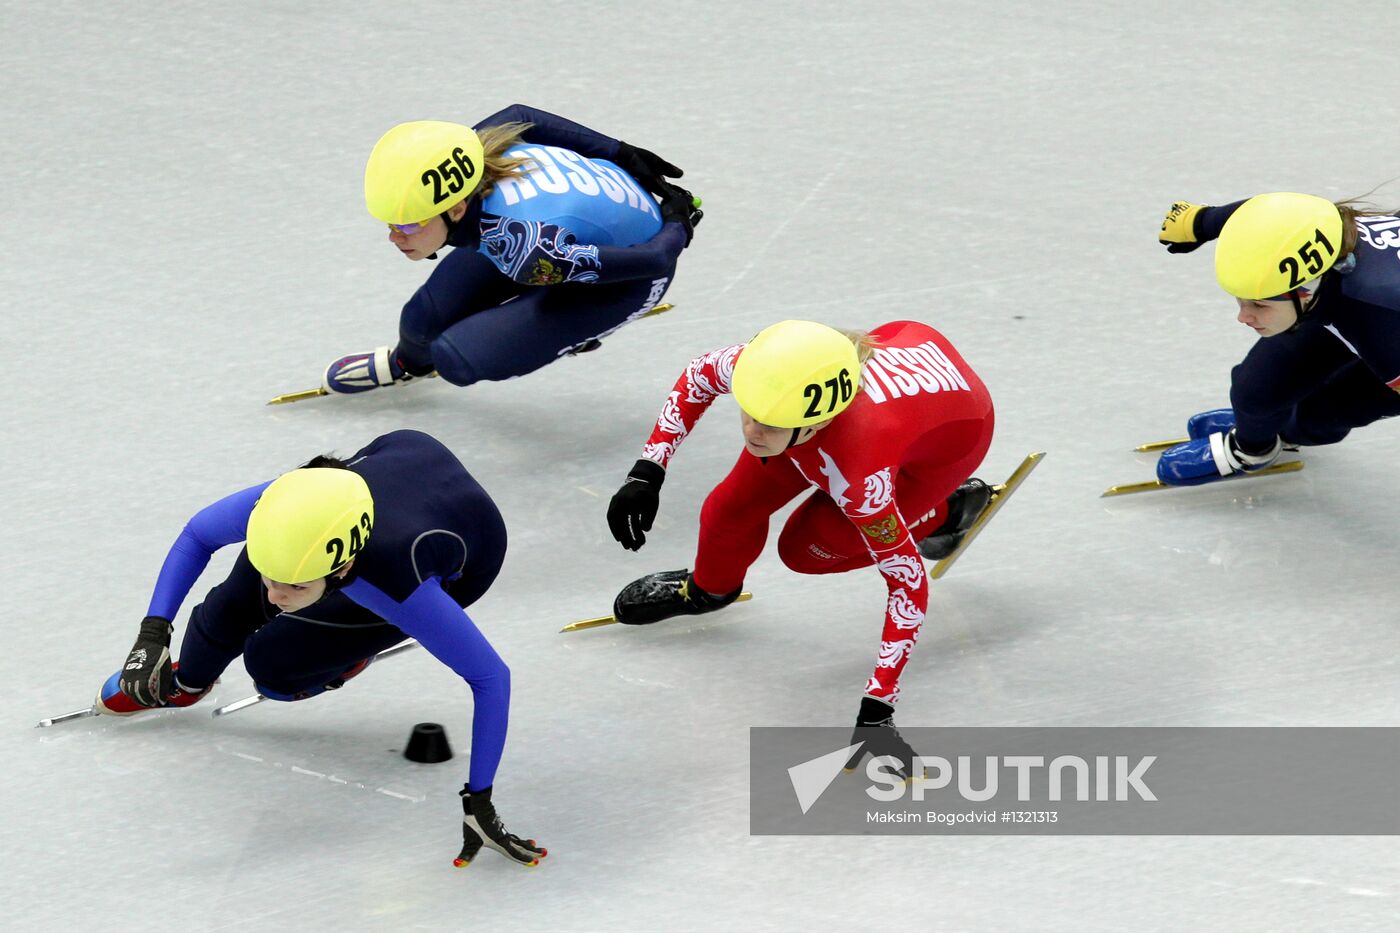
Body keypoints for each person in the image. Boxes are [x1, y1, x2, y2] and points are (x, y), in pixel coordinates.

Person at [97, 429, 544, 868]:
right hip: (401, 456)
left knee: (274, 669)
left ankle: (347, 654)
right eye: (270, 574)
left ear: (342, 568)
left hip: (465, 557)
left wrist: (478, 800)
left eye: (292, 585)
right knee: (226, 609)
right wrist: (152, 635)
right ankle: (188, 683)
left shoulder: (393, 583)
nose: (274, 595)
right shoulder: (286, 503)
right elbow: (198, 535)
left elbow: (491, 678)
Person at [605, 320, 996, 777]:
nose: (751, 430)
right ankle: (710, 590)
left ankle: (945, 511)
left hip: (949, 440)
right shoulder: (767, 372)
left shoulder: (860, 478)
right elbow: (697, 377)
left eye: (768, 424)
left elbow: (907, 585)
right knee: (726, 510)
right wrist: (647, 471)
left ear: (822, 419)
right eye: (747, 411)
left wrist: (878, 709)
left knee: (806, 550)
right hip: (901, 365)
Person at [321, 105, 702, 395]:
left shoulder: (524, 248)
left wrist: (678, 222)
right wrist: (622, 151)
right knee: (423, 320)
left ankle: (571, 330)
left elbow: (655, 259)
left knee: (457, 357)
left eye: (408, 223)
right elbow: (521, 116)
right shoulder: (470, 153)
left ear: (456, 208)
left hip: (630, 276)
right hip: (559, 238)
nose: (394, 237)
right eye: (390, 223)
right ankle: (407, 363)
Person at [1154, 192, 1400, 485]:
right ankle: (1258, 442)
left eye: (1259, 304)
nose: (1243, 317)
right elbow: (1266, 216)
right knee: (1254, 391)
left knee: (1322, 414)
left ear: (1304, 288)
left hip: (1386, 332)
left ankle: (1279, 437)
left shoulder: (1378, 319)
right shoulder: (1323, 233)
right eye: (1241, 301)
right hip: (1351, 307)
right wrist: (1201, 222)